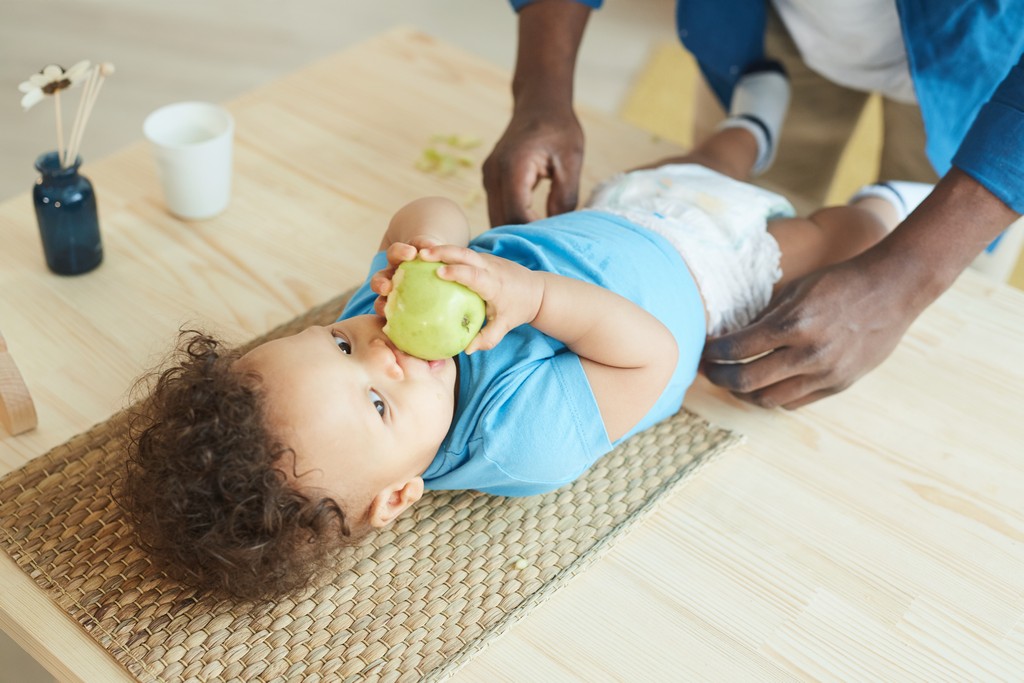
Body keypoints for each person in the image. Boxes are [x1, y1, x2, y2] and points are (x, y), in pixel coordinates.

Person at [121, 66, 925, 600]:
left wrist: (435, 250)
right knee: (825, 237)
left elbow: (427, 213)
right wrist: (532, 295)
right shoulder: (522, 439)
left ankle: (752, 121)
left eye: (337, 342)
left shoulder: (386, 310)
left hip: (622, 210)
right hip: (716, 269)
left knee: (701, 157)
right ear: (400, 495)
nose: (383, 349)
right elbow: (652, 355)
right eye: (376, 403)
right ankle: (897, 198)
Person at [484, 0, 1024, 409]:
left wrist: (912, 270)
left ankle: (773, 135)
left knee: (707, 163)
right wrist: (541, 90)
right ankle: (853, 184)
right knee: (819, 238)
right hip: (722, 257)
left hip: (984, 47)